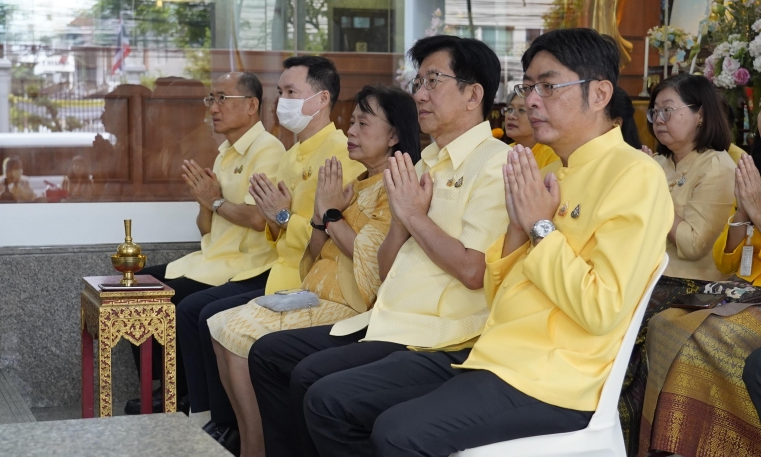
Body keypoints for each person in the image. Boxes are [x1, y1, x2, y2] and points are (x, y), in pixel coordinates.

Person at [300, 27, 673, 457]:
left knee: (396, 433)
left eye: (548, 87)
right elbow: (498, 290)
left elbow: (602, 308)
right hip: (495, 356)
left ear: (600, 93)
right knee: (341, 405)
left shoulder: (633, 176)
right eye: (528, 86)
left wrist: (539, 228)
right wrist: (520, 231)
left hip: (553, 377)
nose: (531, 100)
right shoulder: (554, 173)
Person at [249, 34, 512, 457]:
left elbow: (473, 271)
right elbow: (387, 269)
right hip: (388, 316)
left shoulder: (497, 163)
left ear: (473, 94)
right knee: (271, 356)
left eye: (433, 81)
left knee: (322, 392)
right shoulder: (424, 162)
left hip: (441, 333)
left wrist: (413, 217)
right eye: (418, 82)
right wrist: (402, 223)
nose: (420, 94)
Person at [206, 85, 420, 457]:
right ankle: (251, 437)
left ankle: (257, 448)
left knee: (239, 333)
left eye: (363, 124)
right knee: (218, 324)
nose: (351, 131)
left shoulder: (396, 186)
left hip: (351, 303)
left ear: (394, 136)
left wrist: (331, 214)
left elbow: (372, 262)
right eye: (351, 121)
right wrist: (322, 218)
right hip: (316, 290)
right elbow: (314, 256)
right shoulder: (354, 184)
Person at [177, 56, 363, 450]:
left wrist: (279, 215)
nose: (282, 102)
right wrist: (276, 218)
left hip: (311, 279)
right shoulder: (292, 154)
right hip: (284, 270)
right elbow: (276, 230)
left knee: (210, 314)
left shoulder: (338, 153)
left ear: (321, 99)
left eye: (292, 92)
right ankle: (241, 431)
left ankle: (250, 437)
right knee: (212, 318)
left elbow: (325, 236)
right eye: (280, 93)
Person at [122, 72, 285, 415]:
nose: (213, 107)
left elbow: (260, 219)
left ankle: (178, 393)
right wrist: (204, 201)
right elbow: (207, 227)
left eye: (223, 98)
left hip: (248, 263)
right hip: (211, 257)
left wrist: (214, 201)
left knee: (177, 301)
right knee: (136, 287)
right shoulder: (224, 152)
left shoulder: (267, 149)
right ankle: (161, 387)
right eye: (211, 99)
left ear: (252, 105)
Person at [619, 73, 736, 455]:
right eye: (654, 112)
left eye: (669, 110)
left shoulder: (716, 166)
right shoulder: (663, 164)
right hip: (650, 276)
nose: (658, 120)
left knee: (620, 347)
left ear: (700, 115)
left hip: (689, 286)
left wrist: (650, 187)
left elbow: (689, 243)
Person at [502, 90, 559, 168]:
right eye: (509, 109)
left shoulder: (552, 155)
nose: (511, 116)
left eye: (521, 110)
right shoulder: (503, 152)